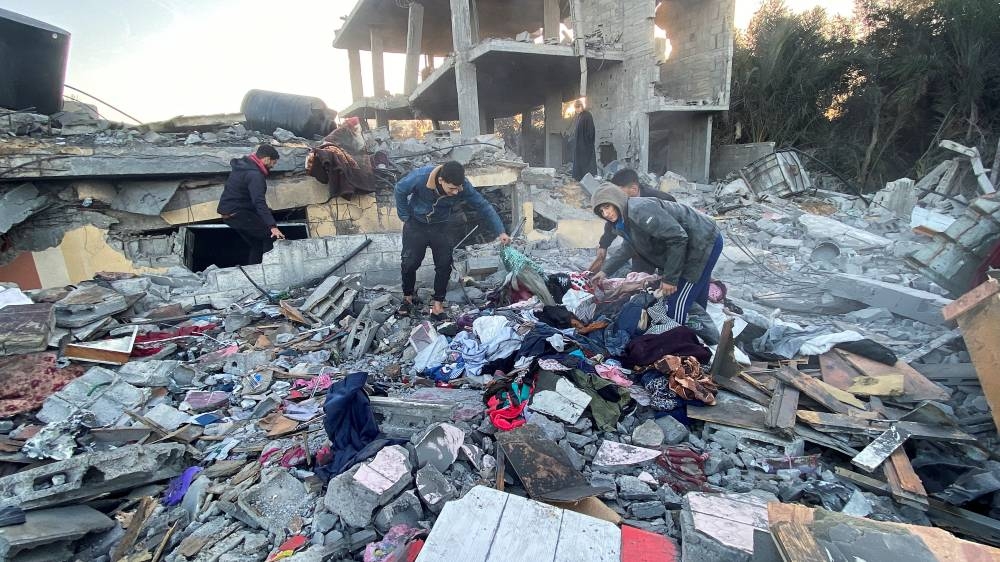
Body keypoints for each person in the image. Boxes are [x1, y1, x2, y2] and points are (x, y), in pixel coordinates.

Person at [590, 182, 723, 323]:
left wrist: (670, 279)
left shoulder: (639, 210)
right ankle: (700, 332)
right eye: (601, 212)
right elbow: (628, 247)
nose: (606, 214)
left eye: (607, 206)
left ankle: (676, 337)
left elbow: (677, 238)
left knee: (677, 301)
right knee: (695, 295)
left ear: (616, 200)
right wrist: (605, 271)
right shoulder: (622, 221)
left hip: (703, 241)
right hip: (690, 243)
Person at [395, 161, 511, 320]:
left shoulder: (463, 186)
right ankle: (407, 299)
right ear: (441, 180)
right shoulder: (420, 176)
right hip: (416, 225)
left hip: (441, 227)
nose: (456, 192)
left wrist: (501, 231)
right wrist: (405, 216)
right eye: (452, 188)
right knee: (409, 263)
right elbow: (400, 189)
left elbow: (483, 206)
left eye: (458, 188)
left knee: (444, 265)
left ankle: (437, 306)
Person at [590, 168, 677, 274]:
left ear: (634, 189)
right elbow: (612, 223)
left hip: (665, 246)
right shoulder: (621, 205)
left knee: (665, 281)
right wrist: (603, 245)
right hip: (640, 247)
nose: (614, 196)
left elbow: (675, 237)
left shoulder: (660, 200)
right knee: (638, 277)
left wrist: (669, 277)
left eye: (617, 192)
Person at [217, 144, 285, 265]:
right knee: (271, 236)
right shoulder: (255, 175)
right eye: (273, 162)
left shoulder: (243, 167)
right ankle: (269, 270)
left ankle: (256, 271)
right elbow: (258, 201)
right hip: (238, 214)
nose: (273, 166)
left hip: (231, 213)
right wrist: (272, 226)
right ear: (266, 159)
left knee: (257, 243)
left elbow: (243, 195)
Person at [568, 99, 597, 181]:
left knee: (586, 162)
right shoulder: (579, 116)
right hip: (579, 145)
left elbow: (591, 130)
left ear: (581, 106)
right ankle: (578, 177)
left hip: (586, 145)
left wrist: (588, 143)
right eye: (575, 108)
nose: (576, 110)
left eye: (577, 108)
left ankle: (587, 178)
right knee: (578, 161)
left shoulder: (588, 115)